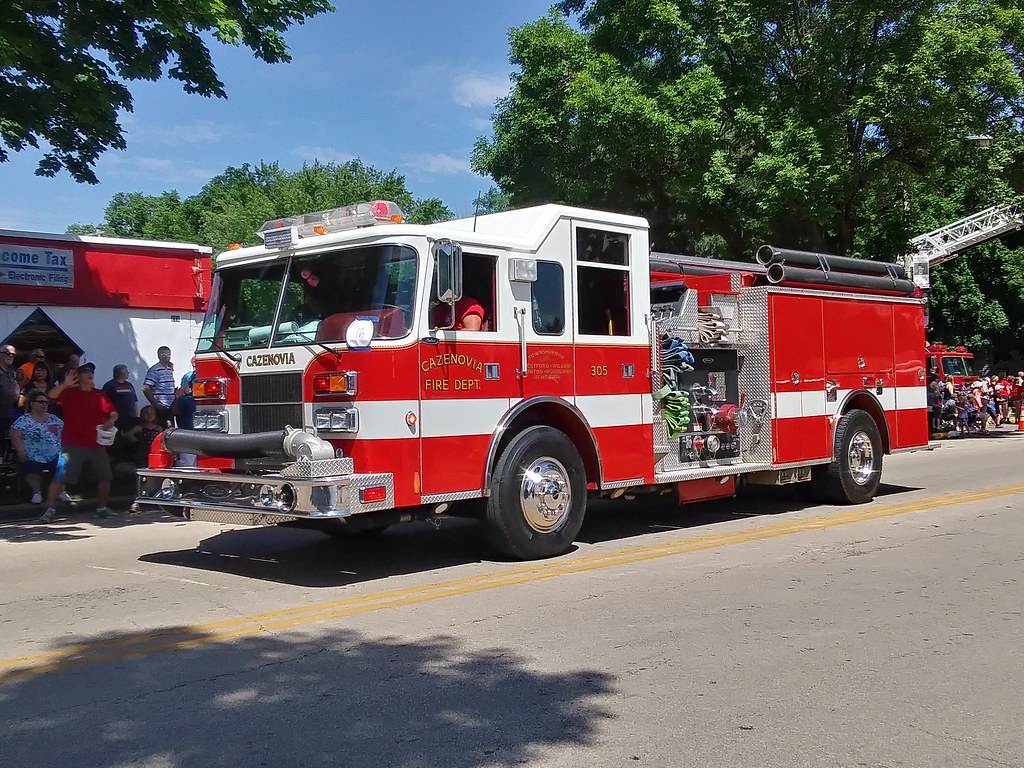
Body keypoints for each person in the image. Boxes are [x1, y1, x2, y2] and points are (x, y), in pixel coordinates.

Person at [44, 363, 118, 521]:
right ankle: (50, 510)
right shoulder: (69, 393)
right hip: (72, 443)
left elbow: (113, 413)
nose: (90, 374)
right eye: (85, 372)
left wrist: (110, 420)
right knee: (60, 477)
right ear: (79, 377)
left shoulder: (100, 394)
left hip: (96, 443)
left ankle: (102, 508)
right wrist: (65, 384)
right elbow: (51, 396)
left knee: (105, 476)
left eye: (91, 372)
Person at [10, 394, 63, 505]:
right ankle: (37, 493)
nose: (44, 404)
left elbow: (65, 434)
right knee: (33, 467)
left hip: (54, 453)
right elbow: (14, 435)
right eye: (41, 402)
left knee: (63, 465)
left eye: (46, 402)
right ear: (32, 404)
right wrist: (20, 451)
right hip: (33, 453)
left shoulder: (54, 419)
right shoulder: (23, 420)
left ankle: (60, 491)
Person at [142, 346, 176, 427]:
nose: (167, 356)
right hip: (161, 407)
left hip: (171, 407)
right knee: (163, 431)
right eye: (164, 354)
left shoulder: (169, 369)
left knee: (170, 430)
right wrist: (156, 404)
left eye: (169, 354)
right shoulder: (154, 370)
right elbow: (146, 388)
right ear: (159, 355)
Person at [0, 344, 24, 444]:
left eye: (13, 355)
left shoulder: (12, 372)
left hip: (10, 414)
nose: (10, 356)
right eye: (8, 353)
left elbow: (18, 386)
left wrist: (20, 396)